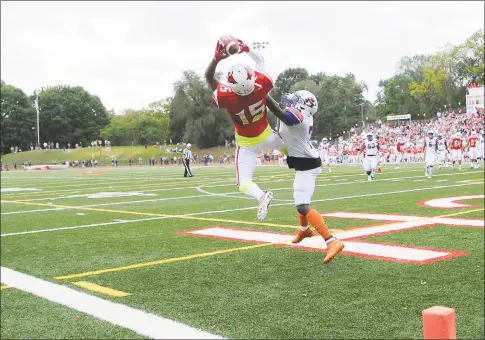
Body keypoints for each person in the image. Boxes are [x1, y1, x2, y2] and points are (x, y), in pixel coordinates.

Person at [205, 35, 285, 221]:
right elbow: (260, 60)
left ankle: (262, 196)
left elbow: (209, 78)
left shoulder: (226, 97)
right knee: (293, 147)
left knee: (243, 182)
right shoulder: (263, 84)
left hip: (246, 143)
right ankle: (308, 161)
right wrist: (246, 48)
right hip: (268, 135)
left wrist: (216, 58)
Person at [266, 90, 344, 264]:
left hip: (308, 164)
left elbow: (279, 112)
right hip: (304, 162)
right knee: (298, 198)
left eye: (295, 100)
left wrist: (263, 96)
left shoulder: (298, 119)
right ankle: (304, 230)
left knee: (302, 205)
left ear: (302, 105)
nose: (291, 101)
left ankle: (331, 241)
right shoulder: (302, 115)